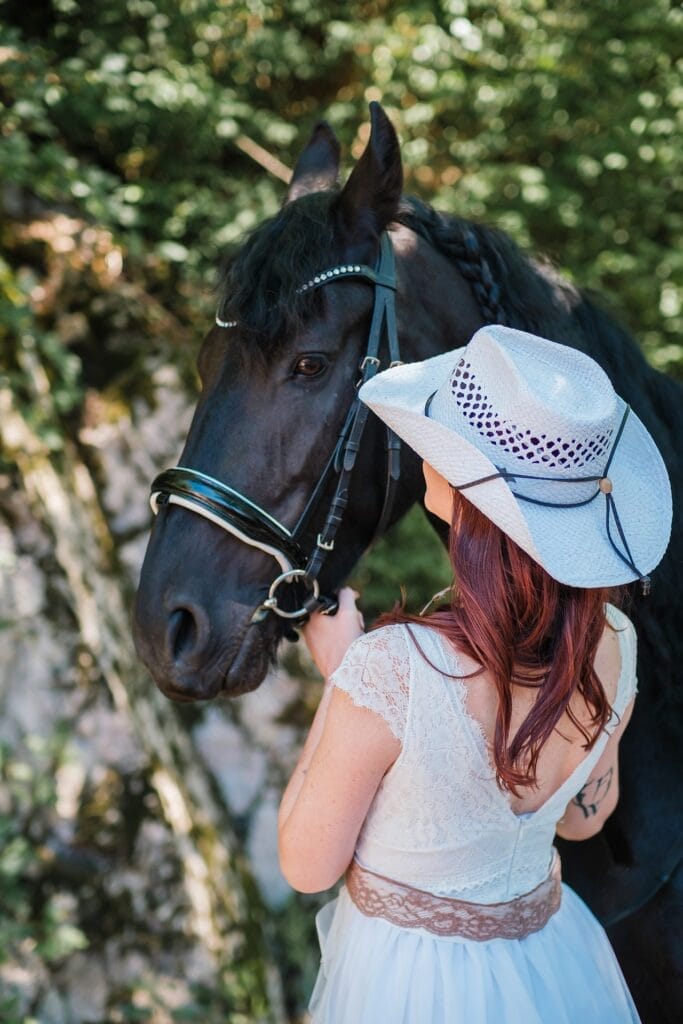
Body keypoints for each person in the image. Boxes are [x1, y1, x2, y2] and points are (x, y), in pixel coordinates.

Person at [277, 325, 672, 1024]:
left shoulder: (390, 669)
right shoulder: (613, 639)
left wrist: (342, 677)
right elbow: (585, 822)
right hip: (550, 967)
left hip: (410, 988)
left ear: (466, 491)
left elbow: (306, 866)